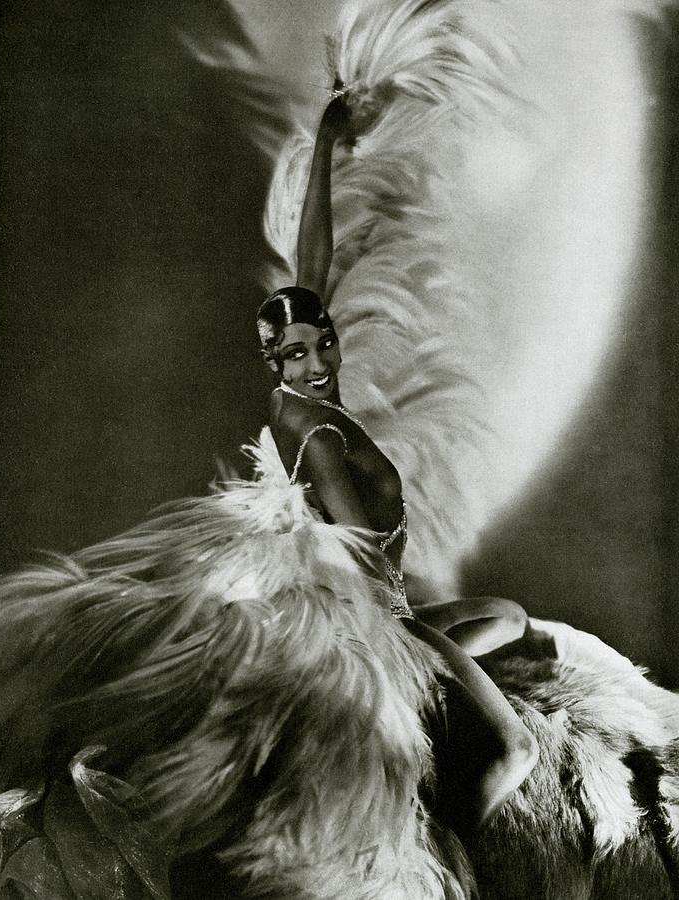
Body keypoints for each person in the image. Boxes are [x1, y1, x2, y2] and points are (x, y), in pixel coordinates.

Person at [257, 94, 538, 837]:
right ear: (273, 363)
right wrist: (405, 646)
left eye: (324, 343)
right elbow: (361, 558)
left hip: (392, 614)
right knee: (513, 752)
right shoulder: (312, 431)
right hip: (375, 624)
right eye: (297, 354)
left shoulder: (315, 394)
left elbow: (307, 261)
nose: (318, 363)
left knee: (508, 619)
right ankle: (442, 861)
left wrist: (324, 141)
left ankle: (438, 692)